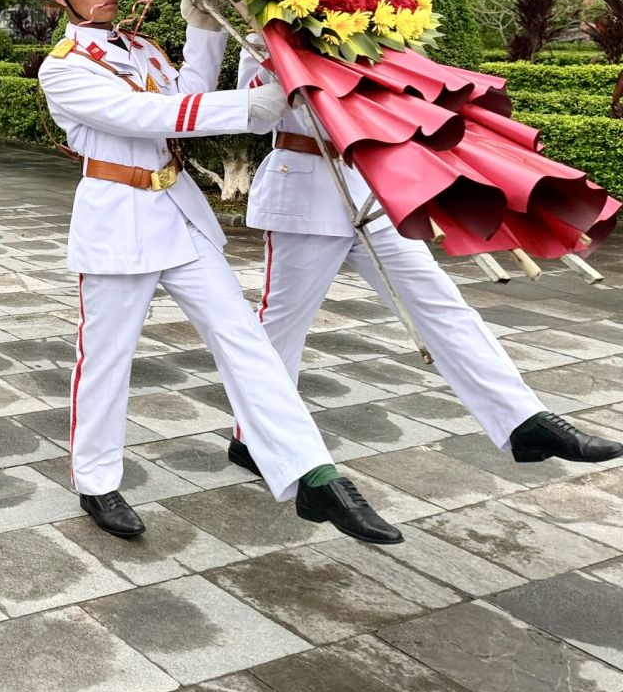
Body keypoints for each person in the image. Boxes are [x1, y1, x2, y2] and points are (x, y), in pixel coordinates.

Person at [30, 0, 399, 544]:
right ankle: (96, 480)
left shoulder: (142, 48)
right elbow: (148, 114)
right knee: (108, 360)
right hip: (118, 223)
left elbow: (185, 93)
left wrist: (204, 28)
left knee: (244, 342)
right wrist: (248, 106)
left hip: (177, 215)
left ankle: (313, 474)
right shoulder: (63, 67)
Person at [230, 53, 623, 476]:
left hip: (370, 190)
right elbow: (254, 115)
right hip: (305, 190)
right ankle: (254, 438)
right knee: (283, 325)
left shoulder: (367, 32)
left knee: (442, 305)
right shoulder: (266, 31)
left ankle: (524, 421)